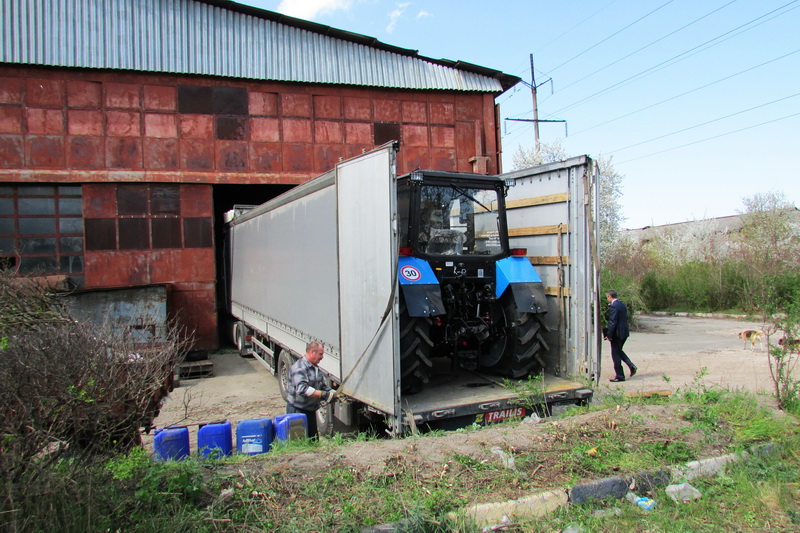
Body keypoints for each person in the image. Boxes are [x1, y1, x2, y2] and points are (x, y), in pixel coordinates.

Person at [286, 340, 336, 438]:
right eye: (320, 354)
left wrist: (333, 393)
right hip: (297, 411)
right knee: (300, 443)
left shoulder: (314, 367)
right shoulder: (299, 368)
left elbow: (321, 386)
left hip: (309, 411)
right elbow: (302, 389)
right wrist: (322, 395)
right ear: (312, 352)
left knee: (313, 441)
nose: (322, 357)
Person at [604, 290, 637, 382]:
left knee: (615, 354)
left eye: (607, 297)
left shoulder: (614, 306)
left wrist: (609, 335)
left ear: (609, 296)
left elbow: (613, 322)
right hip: (624, 332)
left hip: (617, 334)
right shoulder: (621, 304)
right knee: (618, 351)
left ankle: (620, 376)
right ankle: (631, 366)